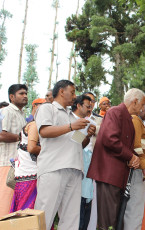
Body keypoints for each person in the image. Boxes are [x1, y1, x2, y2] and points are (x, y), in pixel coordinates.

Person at [34, 80, 96, 229]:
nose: (75, 96)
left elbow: (78, 144)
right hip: (54, 168)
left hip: (74, 169)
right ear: (62, 91)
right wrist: (70, 126)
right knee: (45, 214)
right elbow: (44, 131)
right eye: (72, 92)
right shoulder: (47, 108)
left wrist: (87, 136)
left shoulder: (71, 116)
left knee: (71, 219)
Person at [87, 88, 144, 229]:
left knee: (116, 217)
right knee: (108, 219)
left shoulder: (127, 117)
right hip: (109, 173)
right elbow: (109, 139)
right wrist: (130, 156)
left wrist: (133, 158)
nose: (142, 108)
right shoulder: (115, 112)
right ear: (135, 101)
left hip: (118, 174)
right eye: (142, 104)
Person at [123, 97, 145, 230]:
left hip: (139, 168)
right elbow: (136, 145)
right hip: (138, 169)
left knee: (136, 207)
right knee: (135, 207)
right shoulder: (135, 120)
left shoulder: (140, 122)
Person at [0, 84, 28, 217]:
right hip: (6, 164)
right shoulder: (6, 111)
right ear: (12, 97)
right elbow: (1, 135)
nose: (25, 96)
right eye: (21, 93)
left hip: (18, 166)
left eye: (26, 93)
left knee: (12, 205)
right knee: (4, 204)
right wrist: (21, 138)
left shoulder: (22, 114)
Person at [70, 95, 94, 230]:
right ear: (78, 105)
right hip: (72, 165)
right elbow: (73, 141)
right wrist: (86, 135)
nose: (90, 110)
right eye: (87, 106)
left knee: (85, 205)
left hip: (85, 163)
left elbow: (81, 144)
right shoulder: (70, 119)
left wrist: (89, 135)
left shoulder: (88, 122)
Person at [82, 92, 103, 230]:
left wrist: (94, 130)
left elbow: (105, 133)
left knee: (91, 196)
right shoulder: (74, 118)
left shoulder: (99, 119)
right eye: (87, 102)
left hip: (94, 159)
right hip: (77, 157)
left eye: (92, 102)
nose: (90, 105)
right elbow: (76, 141)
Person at [10, 118, 41, 212]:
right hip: (31, 174)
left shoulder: (73, 123)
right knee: (28, 211)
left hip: (76, 169)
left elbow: (79, 144)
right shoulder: (34, 125)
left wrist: (87, 135)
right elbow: (31, 148)